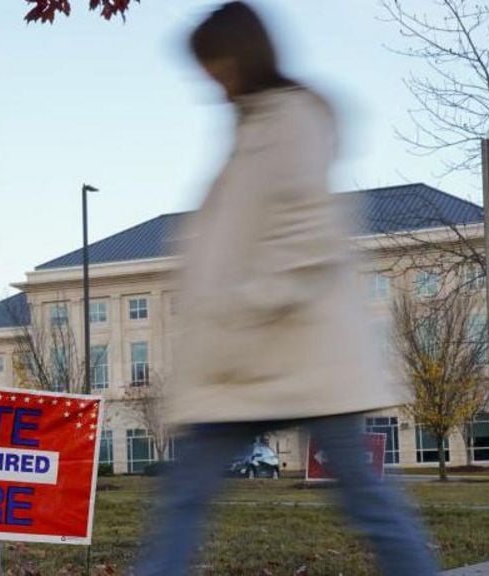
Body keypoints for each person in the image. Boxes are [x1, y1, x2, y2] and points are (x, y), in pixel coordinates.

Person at [132, 3, 439, 575]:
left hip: (296, 353)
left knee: (367, 503)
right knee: (184, 497)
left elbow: (310, 234)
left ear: (241, 53)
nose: (208, 76)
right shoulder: (254, 127)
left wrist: (241, 306)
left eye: (214, 61)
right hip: (246, 364)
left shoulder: (291, 119)